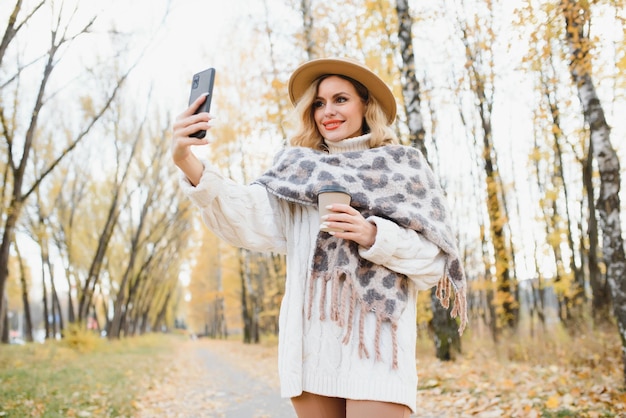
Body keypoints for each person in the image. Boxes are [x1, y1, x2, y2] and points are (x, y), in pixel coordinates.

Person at [171, 57, 467, 418]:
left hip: (375, 349)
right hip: (310, 350)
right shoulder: (297, 172)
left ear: (365, 105)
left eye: (340, 99)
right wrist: (186, 159)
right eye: (318, 103)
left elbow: (434, 264)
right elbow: (243, 215)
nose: (328, 111)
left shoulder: (403, 168)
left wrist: (373, 235)